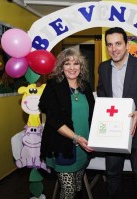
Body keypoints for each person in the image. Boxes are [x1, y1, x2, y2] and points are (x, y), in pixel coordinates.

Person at [97, 27, 137, 199]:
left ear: (127, 45)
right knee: (112, 173)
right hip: (113, 131)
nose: (113, 49)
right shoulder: (103, 68)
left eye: (118, 44)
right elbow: (101, 91)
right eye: (109, 45)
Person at [39, 48, 95, 199]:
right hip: (63, 147)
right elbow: (54, 120)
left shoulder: (85, 87)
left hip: (85, 147)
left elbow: (93, 114)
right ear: (61, 67)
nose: (72, 67)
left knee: (77, 187)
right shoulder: (53, 87)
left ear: (81, 66)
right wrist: (76, 138)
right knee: (68, 191)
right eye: (67, 63)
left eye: (76, 63)